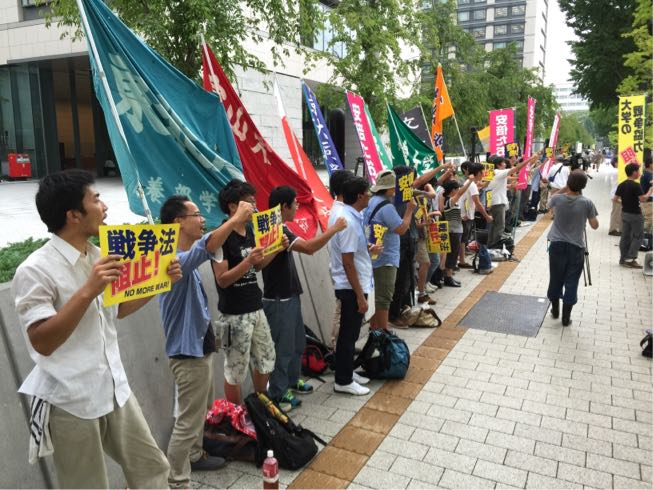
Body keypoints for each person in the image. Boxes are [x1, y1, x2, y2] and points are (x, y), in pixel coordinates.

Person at [12, 170, 175, 488]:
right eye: (96, 199)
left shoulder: (99, 256)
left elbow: (120, 309)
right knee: (87, 484)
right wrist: (88, 289)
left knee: (153, 468)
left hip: (115, 389)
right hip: (71, 400)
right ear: (73, 215)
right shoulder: (35, 270)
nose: (104, 206)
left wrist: (161, 280)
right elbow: (42, 341)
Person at [158, 193, 253, 487]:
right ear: (178, 222)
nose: (202, 220)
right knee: (188, 420)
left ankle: (196, 455)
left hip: (198, 348)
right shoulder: (172, 260)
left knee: (200, 410)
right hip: (187, 354)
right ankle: (177, 479)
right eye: (196, 215)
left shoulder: (183, 257)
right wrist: (235, 220)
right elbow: (206, 247)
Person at [263, 185, 347, 410]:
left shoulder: (281, 227)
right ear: (284, 207)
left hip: (290, 294)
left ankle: (292, 381)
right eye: (294, 203)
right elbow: (309, 248)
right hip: (278, 299)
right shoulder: (274, 230)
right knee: (283, 348)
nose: (297, 206)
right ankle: (279, 392)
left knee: (297, 342)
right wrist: (334, 229)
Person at [212, 180, 282, 405]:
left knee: (267, 359)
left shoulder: (250, 230)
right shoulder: (220, 236)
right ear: (233, 206)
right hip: (234, 314)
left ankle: (260, 407)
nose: (254, 207)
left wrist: (276, 249)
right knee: (235, 370)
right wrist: (248, 261)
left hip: (256, 307)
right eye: (250, 203)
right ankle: (237, 416)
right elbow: (222, 280)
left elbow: (257, 266)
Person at [329, 176, 375, 395]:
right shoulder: (347, 221)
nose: (370, 196)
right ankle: (343, 381)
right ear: (359, 196)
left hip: (353, 283)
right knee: (348, 335)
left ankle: (346, 371)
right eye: (368, 192)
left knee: (350, 333)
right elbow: (347, 262)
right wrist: (359, 296)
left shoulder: (350, 215)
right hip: (350, 286)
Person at [363, 169, 416, 330]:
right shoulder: (386, 207)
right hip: (385, 258)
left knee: (376, 297)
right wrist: (409, 210)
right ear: (389, 189)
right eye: (394, 188)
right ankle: (383, 332)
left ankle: (375, 331)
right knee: (384, 298)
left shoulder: (372, 201)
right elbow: (401, 229)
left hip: (373, 254)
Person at [546, 170, 599, 326]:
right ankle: (566, 317)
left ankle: (555, 309)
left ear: (568, 182)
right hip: (576, 247)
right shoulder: (587, 203)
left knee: (555, 278)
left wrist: (565, 188)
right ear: (584, 186)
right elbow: (595, 226)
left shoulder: (557, 199)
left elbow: (548, 204)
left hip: (556, 245)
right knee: (571, 281)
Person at [327, 170, 354, 350]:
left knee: (344, 314)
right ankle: (338, 350)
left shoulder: (341, 209)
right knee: (342, 314)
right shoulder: (342, 213)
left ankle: (341, 350)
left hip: (342, 271)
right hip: (344, 273)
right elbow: (347, 254)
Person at [486, 155, 533, 247]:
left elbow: (496, 186)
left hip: (494, 202)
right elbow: (517, 168)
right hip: (498, 203)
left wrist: (509, 186)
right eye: (503, 163)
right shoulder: (499, 172)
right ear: (498, 165)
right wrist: (529, 159)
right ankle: (495, 245)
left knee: (494, 225)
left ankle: (491, 244)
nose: (505, 164)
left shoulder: (494, 173)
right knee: (499, 225)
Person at [614, 163, 653, 268]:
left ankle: (623, 259)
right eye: (638, 171)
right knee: (638, 236)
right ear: (634, 172)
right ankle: (630, 259)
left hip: (625, 213)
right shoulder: (636, 185)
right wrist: (650, 191)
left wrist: (625, 202)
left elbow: (615, 199)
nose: (639, 173)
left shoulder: (622, 184)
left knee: (625, 236)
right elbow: (643, 199)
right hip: (635, 215)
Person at [439, 177, 474, 287]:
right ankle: (448, 277)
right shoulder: (449, 201)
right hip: (453, 231)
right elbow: (460, 193)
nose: (458, 190)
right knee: (452, 254)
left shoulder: (449, 201)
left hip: (455, 230)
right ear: (453, 190)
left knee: (453, 254)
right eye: (457, 188)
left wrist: (460, 217)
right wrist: (470, 181)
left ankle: (448, 276)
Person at [458, 162, 493, 268]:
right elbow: (477, 202)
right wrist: (487, 216)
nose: (483, 174)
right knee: (463, 239)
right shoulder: (472, 185)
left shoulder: (470, 183)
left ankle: (461, 259)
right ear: (478, 173)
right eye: (482, 172)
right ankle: (461, 261)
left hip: (466, 214)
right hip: (466, 215)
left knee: (463, 239)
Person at [607, 157, 622, 235]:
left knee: (616, 212)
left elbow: (608, 184)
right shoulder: (617, 171)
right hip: (617, 194)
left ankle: (616, 228)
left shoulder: (613, 171)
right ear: (616, 163)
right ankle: (613, 229)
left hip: (614, 193)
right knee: (616, 212)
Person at [641, 151, 653, 233]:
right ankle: (642, 236)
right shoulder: (648, 174)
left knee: (647, 219)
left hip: (645, 199)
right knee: (649, 220)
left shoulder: (645, 172)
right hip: (647, 200)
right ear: (650, 164)